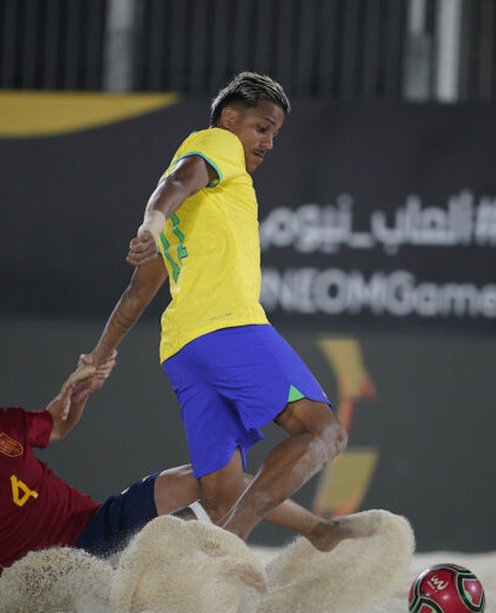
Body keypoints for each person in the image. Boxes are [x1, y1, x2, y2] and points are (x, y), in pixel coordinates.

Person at [67, 71, 347, 543]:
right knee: (325, 433)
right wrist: (152, 223)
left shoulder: (189, 206)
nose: (267, 143)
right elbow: (181, 178)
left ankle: (298, 537)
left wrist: (95, 361)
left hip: (182, 350)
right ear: (229, 119)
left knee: (220, 494)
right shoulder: (216, 146)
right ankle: (232, 547)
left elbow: (136, 295)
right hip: (229, 329)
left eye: (274, 134)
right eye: (261, 127)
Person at [0, 358, 364, 610]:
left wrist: (78, 394)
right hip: (55, 574)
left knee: (199, 478)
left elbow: (55, 426)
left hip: (95, 523)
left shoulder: (6, 425)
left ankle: (318, 531)